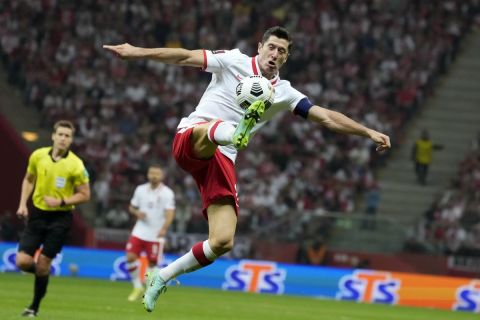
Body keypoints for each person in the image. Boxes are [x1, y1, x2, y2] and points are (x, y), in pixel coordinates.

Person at [103, 26, 391, 312]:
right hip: (194, 137)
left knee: (222, 241)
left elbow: (326, 117)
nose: (275, 54)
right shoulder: (233, 60)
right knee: (215, 131)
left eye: (282, 51)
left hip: (223, 159)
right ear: (260, 47)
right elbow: (184, 57)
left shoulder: (285, 92)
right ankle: (233, 131)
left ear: (286, 58)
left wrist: (367, 132)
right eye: (272, 47)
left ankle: (162, 276)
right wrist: (137, 52)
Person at [15, 120, 90, 317]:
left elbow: (85, 194)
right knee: (22, 261)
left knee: (43, 263)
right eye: (61, 135)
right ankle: (43, 273)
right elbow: (28, 179)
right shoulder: (38, 156)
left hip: (60, 218)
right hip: (38, 215)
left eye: (67, 136)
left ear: (71, 140)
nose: (63, 139)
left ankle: (34, 307)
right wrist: (23, 204)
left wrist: (62, 201)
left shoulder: (76, 165)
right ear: (53, 136)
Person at [125, 164, 175, 302]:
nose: (154, 176)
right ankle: (137, 286)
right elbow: (131, 207)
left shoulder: (167, 193)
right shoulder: (140, 190)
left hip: (156, 234)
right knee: (130, 257)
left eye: (157, 173)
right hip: (139, 231)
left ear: (162, 176)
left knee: (152, 264)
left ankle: (148, 291)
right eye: (151, 173)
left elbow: (170, 213)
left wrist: (164, 228)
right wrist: (136, 212)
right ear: (148, 174)